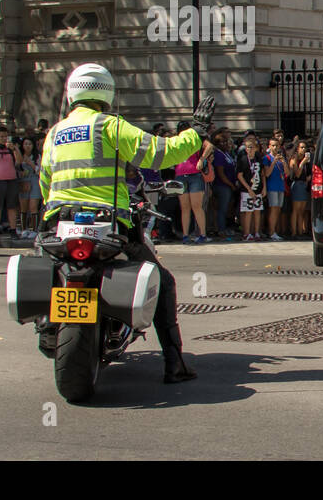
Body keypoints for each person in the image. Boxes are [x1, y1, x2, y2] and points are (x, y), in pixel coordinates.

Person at [39, 62, 214, 383]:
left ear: (71, 94)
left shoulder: (54, 133)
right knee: (163, 282)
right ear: (107, 93)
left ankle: (48, 325)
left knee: (48, 264)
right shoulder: (110, 126)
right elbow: (160, 153)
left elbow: (45, 182)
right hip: (110, 224)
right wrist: (196, 132)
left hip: (59, 223)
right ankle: (174, 363)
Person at [172, 119, 209, 243]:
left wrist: (201, 159)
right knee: (185, 207)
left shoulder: (195, 138)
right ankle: (185, 235)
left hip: (194, 175)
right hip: (180, 175)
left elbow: (209, 146)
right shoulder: (176, 140)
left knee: (196, 206)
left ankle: (202, 234)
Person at [238, 134, 266, 241]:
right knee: (248, 211)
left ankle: (257, 232)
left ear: (255, 148)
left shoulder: (258, 158)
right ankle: (246, 233)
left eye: (252, 147)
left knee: (257, 211)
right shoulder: (243, 159)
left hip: (258, 188)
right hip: (247, 190)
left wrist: (264, 188)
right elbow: (239, 176)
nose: (249, 149)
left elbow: (262, 173)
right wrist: (248, 189)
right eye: (248, 147)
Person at [17, 136, 42, 239]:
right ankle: (24, 229)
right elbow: (16, 168)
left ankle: (34, 229)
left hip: (34, 181)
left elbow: (40, 171)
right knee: (23, 207)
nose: (27, 146)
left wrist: (31, 164)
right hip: (23, 182)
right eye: (25, 144)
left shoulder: (37, 156)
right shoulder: (19, 156)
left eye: (30, 144)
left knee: (33, 206)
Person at [263, 136, 287, 241]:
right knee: (273, 209)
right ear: (269, 146)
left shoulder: (282, 158)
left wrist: (284, 162)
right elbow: (267, 173)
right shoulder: (267, 158)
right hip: (272, 186)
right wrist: (274, 161)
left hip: (280, 186)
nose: (275, 147)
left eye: (277, 145)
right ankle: (271, 232)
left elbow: (288, 173)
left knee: (278, 209)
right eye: (273, 145)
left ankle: (275, 231)